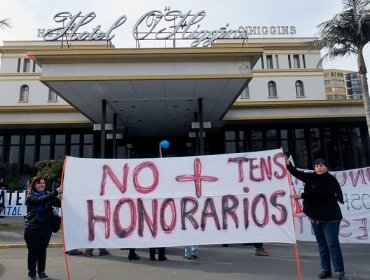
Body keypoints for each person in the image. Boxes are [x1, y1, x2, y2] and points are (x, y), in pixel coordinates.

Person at [286, 157, 348, 280]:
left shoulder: (330, 180)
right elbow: (297, 173)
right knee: (322, 245)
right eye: (316, 166)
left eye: (321, 165)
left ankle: (339, 272)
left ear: (326, 167)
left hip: (330, 218)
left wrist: (302, 195)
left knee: (332, 245)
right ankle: (326, 270)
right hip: (315, 218)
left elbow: (321, 194)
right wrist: (288, 165)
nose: (319, 167)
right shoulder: (311, 177)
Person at [24, 175, 63, 280]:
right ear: (34, 185)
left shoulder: (47, 194)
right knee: (33, 253)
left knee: (42, 252)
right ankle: (32, 274)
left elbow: (58, 204)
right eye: (39, 183)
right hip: (32, 229)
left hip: (46, 229)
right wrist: (55, 192)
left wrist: (60, 198)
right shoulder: (30, 195)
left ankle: (41, 272)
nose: (42, 185)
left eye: (44, 183)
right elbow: (39, 201)